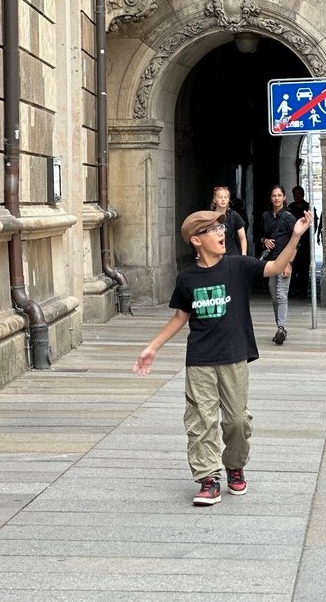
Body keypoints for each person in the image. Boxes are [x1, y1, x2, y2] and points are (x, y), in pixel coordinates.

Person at [133, 208, 313, 506]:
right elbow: (180, 317)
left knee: (237, 422)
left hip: (234, 356)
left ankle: (234, 466)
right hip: (200, 359)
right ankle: (208, 479)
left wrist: (295, 236)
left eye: (221, 229)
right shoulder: (187, 278)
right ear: (196, 240)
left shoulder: (238, 266)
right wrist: (152, 347)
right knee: (201, 420)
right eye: (214, 231)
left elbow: (277, 265)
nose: (221, 234)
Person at [261, 186, 298, 345]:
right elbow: (261, 236)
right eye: (274, 195)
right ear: (271, 198)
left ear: (284, 197)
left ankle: (281, 327)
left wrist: (289, 264)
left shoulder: (290, 218)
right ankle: (280, 327)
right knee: (274, 296)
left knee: (281, 294)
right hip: (270, 262)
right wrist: (265, 241)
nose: (276, 198)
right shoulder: (265, 216)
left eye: (279, 195)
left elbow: (295, 243)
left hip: (284, 261)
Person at [209, 185, 247, 256]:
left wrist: (244, 255)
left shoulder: (234, 216)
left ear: (228, 199)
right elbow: (203, 238)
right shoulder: (209, 217)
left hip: (232, 254)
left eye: (225, 197)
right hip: (215, 254)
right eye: (220, 197)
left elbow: (242, 238)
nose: (223, 200)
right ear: (214, 199)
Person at [288, 186, 311, 297]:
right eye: (295, 194)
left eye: (299, 194)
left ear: (303, 194)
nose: (297, 197)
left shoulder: (308, 207)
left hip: (305, 242)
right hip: (293, 241)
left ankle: (303, 288)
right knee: (292, 264)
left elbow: (313, 223)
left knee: (304, 266)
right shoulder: (290, 208)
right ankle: (292, 288)